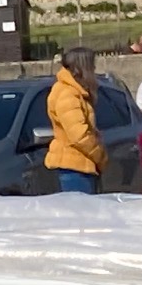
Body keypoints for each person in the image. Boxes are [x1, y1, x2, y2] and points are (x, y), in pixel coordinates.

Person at [45, 46, 107, 194]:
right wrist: (100, 156)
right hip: (75, 168)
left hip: (78, 166)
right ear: (83, 68)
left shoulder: (74, 92)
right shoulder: (68, 94)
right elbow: (79, 135)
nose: (94, 70)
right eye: (91, 66)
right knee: (82, 208)